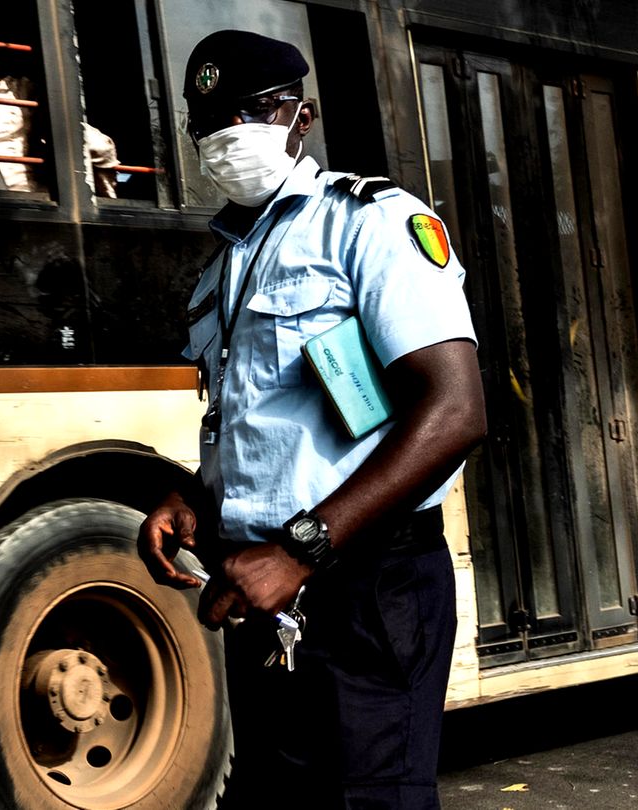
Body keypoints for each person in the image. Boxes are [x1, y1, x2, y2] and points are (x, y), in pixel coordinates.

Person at [137, 30, 487, 809]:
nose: (232, 136)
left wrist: (302, 550)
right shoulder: (224, 266)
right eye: (212, 122)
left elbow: (456, 412)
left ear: (304, 117)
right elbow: (272, 424)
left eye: (253, 112)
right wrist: (198, 496)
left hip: (366, 587)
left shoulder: (371, 223)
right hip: (263, 595)